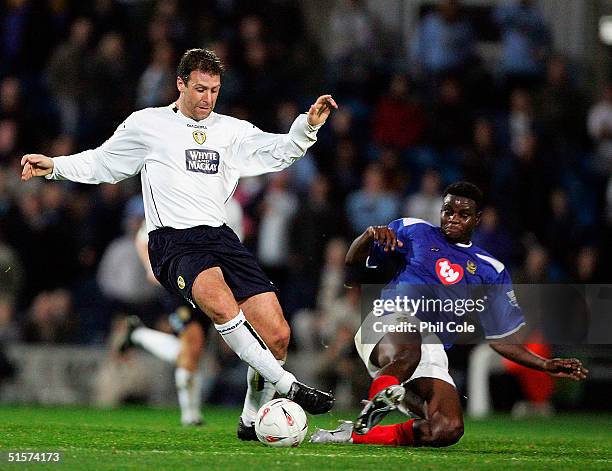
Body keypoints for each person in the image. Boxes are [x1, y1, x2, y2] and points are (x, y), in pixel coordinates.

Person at [21, 48, 338, 440]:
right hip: (173, 241)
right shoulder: (148, 124)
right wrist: (54, 167)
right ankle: (289, 387)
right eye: (200, 89)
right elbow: (103, 163)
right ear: (180, 84)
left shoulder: (231, 131)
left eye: (215, 90)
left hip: (220, 237)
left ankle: (250, 418)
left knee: (277, 335)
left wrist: (307, 127)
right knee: (220, 304)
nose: (207, 98)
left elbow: (280, 151)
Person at [311, 181, 588, 447]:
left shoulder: (490, 269)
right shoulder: (414, 230)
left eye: (463, 214)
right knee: (408, 351)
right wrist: (368, 235)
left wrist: (545, 365)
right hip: (387, 324)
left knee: (447, 428)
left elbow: (501, 339)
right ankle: (372, 409)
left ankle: (356, 434)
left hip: (429, 347)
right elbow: (352, 262)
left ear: (477, 219)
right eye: (448, 211)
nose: (453, 218)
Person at [116, 198, 245, 426]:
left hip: (211, 285)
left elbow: (234, 248)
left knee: (192, 350)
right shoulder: (182, 193)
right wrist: (151, 269)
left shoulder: (232, 208)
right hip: (178, 281)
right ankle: (190, 416)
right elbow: (142, 237)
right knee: (193, 344)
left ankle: (138, 335)